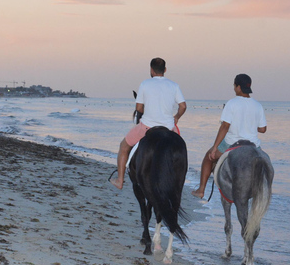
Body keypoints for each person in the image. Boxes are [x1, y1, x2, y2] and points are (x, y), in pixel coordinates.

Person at [110, 57, 186, 190]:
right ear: (165, 70)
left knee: (123, 147)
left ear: (151, 70)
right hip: (169, 128)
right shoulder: (174, 85)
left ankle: (120, 180)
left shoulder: (145, 84)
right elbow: (183, 106)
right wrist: (177, 117)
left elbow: (139, 108)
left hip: (146, 127)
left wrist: (149, 111)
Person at [191, 73, 267, 199]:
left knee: (208, 157)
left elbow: (225, 127)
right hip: (253, 145)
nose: (234, 88)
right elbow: (263, 129)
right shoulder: (258, 105)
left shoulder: (232, 103)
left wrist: (215, 147)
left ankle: (201, 190)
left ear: (238, 87)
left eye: (234, 85)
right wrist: (249, 126)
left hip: (233, 143)